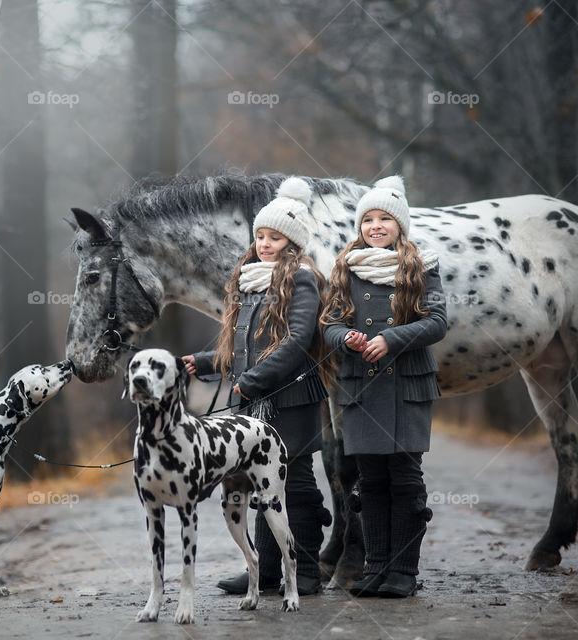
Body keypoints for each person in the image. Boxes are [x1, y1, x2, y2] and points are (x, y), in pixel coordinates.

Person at [183, 176, 332, 596]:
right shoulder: (250, 279)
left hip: (291, 399)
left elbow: (297, 340)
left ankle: (303, 573)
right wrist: (210, 362)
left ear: (292, 242)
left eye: (275, 237)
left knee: (296, 482)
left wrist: (250, 381)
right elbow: (247, 345)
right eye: (261, 235)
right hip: (256, 397)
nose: (265, 243)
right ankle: (267, 572)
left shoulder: (301, 279)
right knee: (258, 481)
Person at [320, 175, 447, 598]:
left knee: (405, 479)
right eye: (368, 219)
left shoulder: (422, 266)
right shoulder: (345, 268)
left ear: (400, 225)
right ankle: (375, 569)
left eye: (385, 219)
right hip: (360, 390)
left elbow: (437, 322)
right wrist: (346, 339)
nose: (376, 226)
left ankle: (403, 573)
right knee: (369, 482)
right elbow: (331, 323)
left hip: (407, 389)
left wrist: (391, 338)